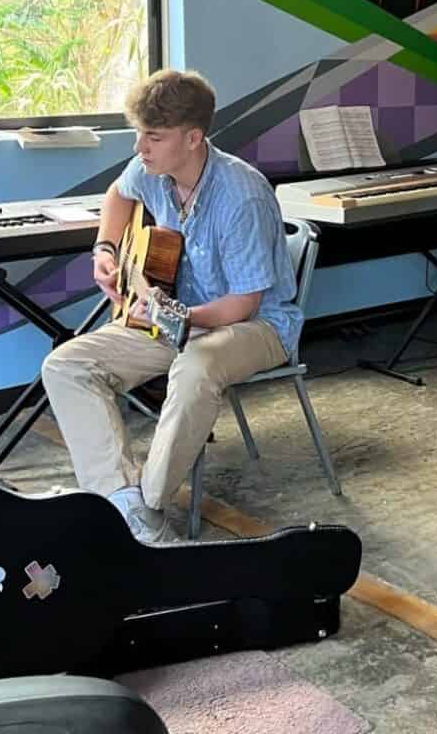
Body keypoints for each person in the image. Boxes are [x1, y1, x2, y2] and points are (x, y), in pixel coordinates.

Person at [42, 69, 301, 544]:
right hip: (178, 318)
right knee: (66, 365)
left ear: (193, 138)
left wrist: (179, 317)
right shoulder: (152, 169)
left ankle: (149, 508)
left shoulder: (242, 196)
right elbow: (118, 195)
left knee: (196, 366)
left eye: (153, 137)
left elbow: (244, 303)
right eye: (139, 134)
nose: (140, 147)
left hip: (255, 325)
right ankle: (120, 499)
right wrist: (105, 249)